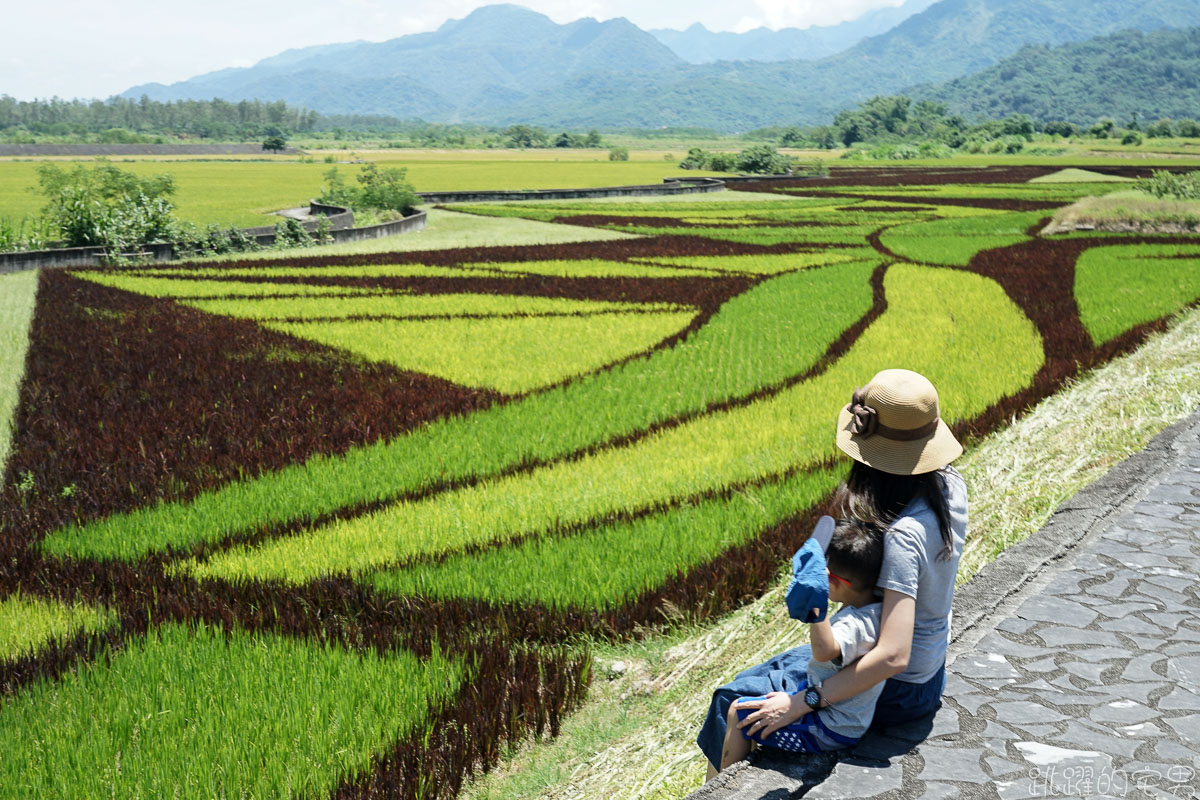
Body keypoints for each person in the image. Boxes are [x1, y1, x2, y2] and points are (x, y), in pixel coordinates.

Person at [698, 368, 968, 778]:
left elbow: (893, 655)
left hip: (897, 692)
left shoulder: (903, 536)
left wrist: (804, 701)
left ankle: (720, 786)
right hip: (929, 675)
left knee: (732, 701)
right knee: (756, 676)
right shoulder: (949, 485)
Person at [719, 517, 885, 769]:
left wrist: (817, 608)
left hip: (831, 728)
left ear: (831, 581)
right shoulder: (879, 607)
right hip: (840, 711)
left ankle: (716, 790)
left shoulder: (855, 624)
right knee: (757, 703)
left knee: (739, 712)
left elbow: (824, 651)